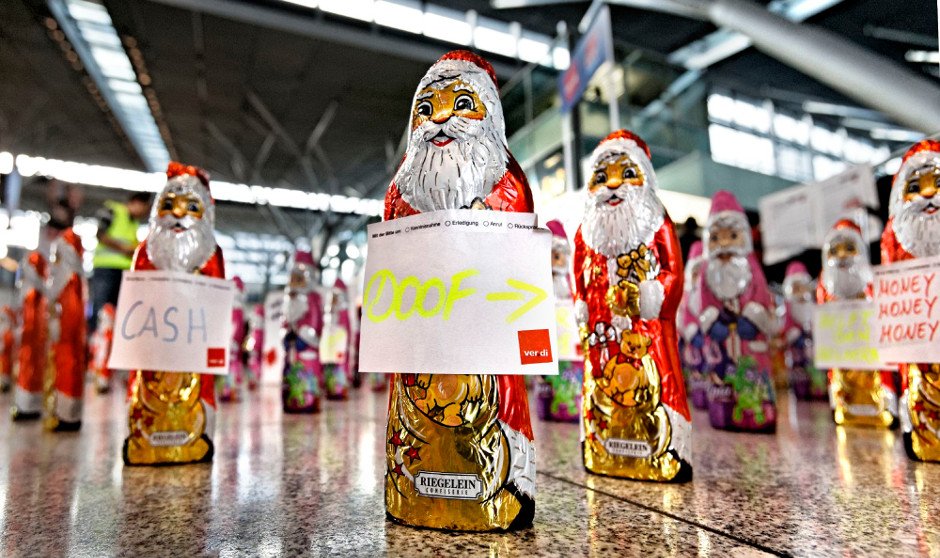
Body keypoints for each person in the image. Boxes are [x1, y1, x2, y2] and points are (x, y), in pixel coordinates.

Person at [573, 130, 692, 482]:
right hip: (601, 333)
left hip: (645, 333)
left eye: (626, 174)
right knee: (603, 387)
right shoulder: (585, 233)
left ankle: (663, 448)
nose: (612, 184)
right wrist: (581, 304)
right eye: (601, 176)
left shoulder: (656, 223)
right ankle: (601, 447)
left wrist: (652, 295)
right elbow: (578, 274)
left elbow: (673, 273)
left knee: (651, 385)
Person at [90, 192, 151, 330]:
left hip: (124, 272)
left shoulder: (134, 223)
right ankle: (97, 337)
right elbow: (100, 234)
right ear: (136, 202)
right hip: (106, 268)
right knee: (101, 308)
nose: (144, 213)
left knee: (118, 310)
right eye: (145, 208)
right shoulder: (113, 210)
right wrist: (124, 249)